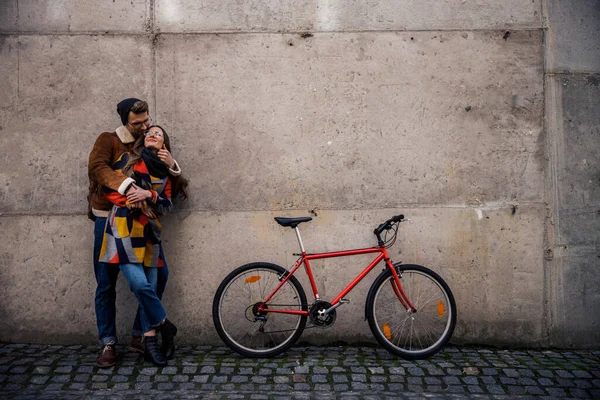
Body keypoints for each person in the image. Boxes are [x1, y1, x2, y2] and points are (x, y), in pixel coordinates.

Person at [88, 99, 181, 367]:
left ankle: (142, 334)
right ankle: (108, 343)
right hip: (110, 221)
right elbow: (98, 170)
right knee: (106, 284)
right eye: (137, 124)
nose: (144, 127)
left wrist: (171, 165)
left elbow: (166, 188)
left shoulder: (151, 144)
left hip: (146, 225)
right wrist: (128, 189)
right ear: (125, 120)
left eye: (147, 122)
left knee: (158, 276)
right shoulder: (109, 140)